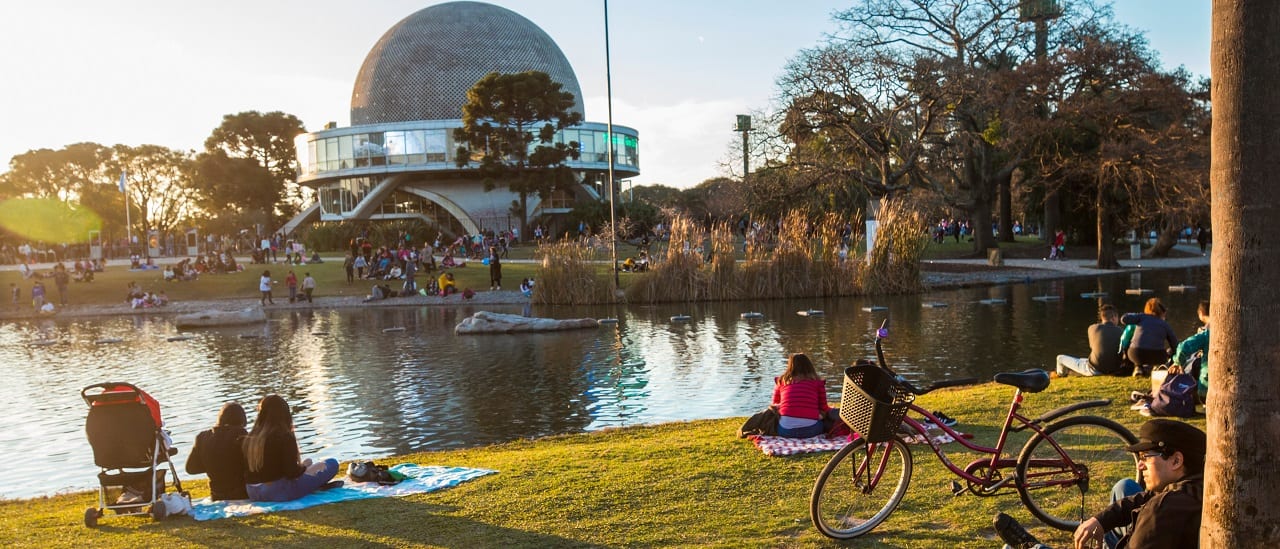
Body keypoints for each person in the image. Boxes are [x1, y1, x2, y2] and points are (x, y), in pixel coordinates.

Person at [994, 419, 1205, 549]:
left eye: (1146, 457)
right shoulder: (1195, 485)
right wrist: (1100, 520)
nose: (1140, 465)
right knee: (1125, 487)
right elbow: (1145, 497)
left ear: (1176, 460)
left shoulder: (1161, 510)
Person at [242, 395, 339, 502]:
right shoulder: (284, 436)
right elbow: (292, 473)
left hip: (253, 492)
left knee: (308, 463)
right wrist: (304, 467)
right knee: (332, 463)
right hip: (277, 491)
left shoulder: (250, 438)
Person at [185, 402, 249, 501]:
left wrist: (212, 463)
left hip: (216, 495)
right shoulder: (241, 435)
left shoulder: (202, 437)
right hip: (241, 494)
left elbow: (191, 468)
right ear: (242, 420)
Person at [770, 353, 836, 438]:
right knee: (823, 417)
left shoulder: (781, 382)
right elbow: (824, 408)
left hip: (785, 431)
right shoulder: (817, 383)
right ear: (809, 366)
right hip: (812, 431)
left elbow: (775, 405)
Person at [1056, 304, 1125, 377]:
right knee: (1083, 360)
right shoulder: (1121, 331)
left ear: (1102, 317)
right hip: (1114, 369)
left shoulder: (1092, 328)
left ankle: (1060, 376)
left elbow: (1092, 346)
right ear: (1114, 317)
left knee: (1060, 358)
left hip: (1094, 370)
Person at [1122, 298, 1178, 376]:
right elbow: (1175, 344)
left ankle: (1138, 367)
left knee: (1130, 345)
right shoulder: (1164, 324)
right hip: (1157, 356)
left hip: (1135, 354)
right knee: (1168, 351)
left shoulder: (1141, 317)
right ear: (1162, 313)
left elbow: (1124, 319)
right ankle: (1157, 366)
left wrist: (1137, 315)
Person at [1172, 300, 1210, 397]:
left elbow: (1183, 346)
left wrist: (1177, 362)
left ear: (1201, 314)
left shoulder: (1207, 333)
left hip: (1207, 387)